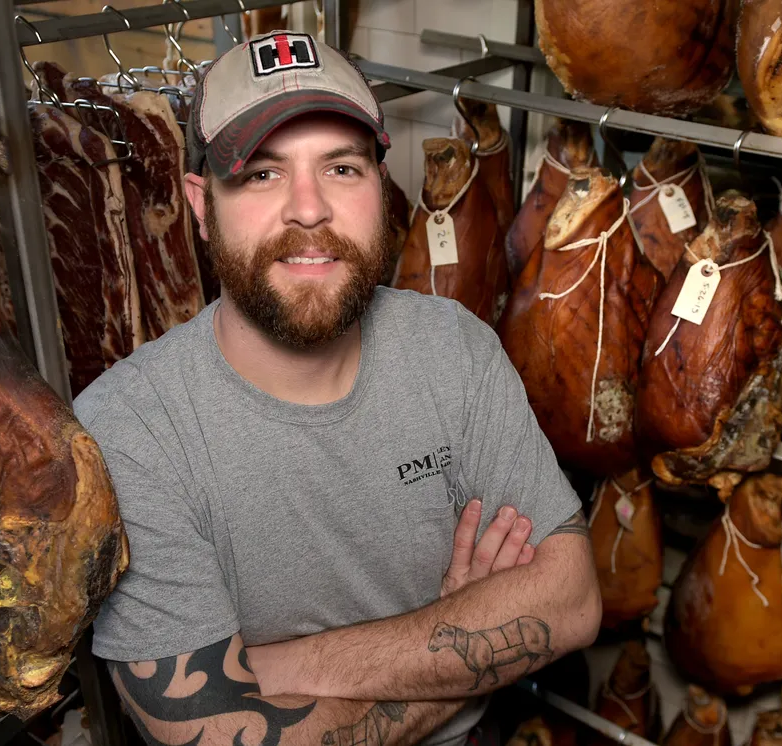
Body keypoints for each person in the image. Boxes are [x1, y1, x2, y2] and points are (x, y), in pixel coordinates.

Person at [72, 30, 601, 746]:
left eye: (342, 169)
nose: (309, 209)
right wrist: (467, 646)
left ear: (380, 189)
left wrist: (277, 668)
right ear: (201, 206)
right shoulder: (128, 433)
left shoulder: (454, 349)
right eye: (262, 174)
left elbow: (570, 599)